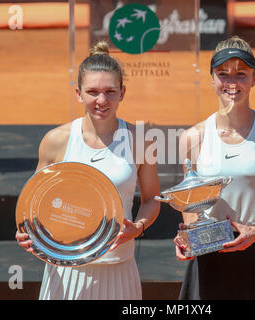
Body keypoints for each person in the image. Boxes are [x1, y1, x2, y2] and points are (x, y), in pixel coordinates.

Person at [15, 41, 160, 300]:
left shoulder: (141, 141)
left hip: (120, 269)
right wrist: (27, 233)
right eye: (92, 91)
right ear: (78, 94)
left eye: (110, 92)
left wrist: (137, 227)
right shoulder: (56, 140)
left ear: (122, 93)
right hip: (66, 271)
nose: (101, 100)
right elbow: (34, 205)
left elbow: (151, 200)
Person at [175, 36, 255, 300]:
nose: (232, 82)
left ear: (254, 78)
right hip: (210, 258)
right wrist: (190, 239)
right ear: (212, 78)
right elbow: (190, 206)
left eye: (241, 74)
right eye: (223, 74)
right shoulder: (191, 138)